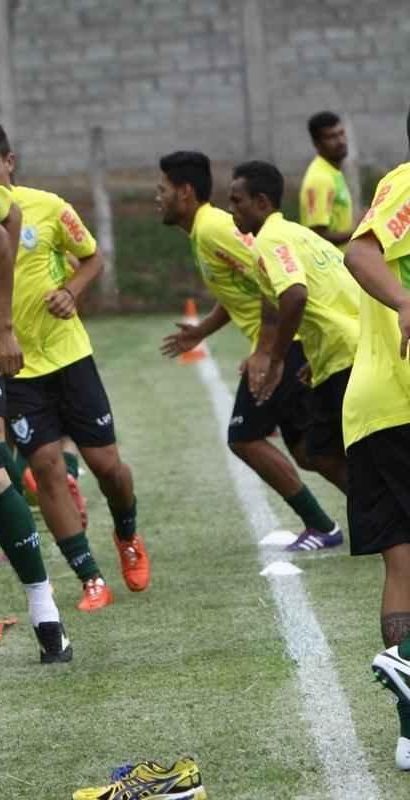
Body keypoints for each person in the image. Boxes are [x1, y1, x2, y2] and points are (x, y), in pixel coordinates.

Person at [0, 118, 147, 611]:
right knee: (44, 465)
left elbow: (92, 257)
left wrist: (71, 291)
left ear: (9, 163)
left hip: (68, 356)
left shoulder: (47, 207)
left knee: (108, 467)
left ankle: (127, 533)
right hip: (12, 367)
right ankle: (90, 577)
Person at [157, 151, 344, 551]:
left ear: (185, 192)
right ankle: (373, 514)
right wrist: (200, 331)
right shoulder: (205, 232)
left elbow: (274, 282)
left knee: (245, 437)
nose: (158, 198)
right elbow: (243, 288)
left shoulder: (214, 231)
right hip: (287, 344)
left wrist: (264, 351)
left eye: (162, 190)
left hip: (288, 345)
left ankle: (329, 524)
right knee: (309, 451)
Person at [341, 119, 410, 769]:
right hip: (402, 401)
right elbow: (358, 252)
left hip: (375, 408)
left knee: (402, 565)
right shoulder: (408, 186)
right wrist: (405, 300)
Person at [228, 161, 359, 491]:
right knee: (328, 450)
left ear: (261, 202)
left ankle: (388, 518)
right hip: (355, 348)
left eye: (236, 201)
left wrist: (276, 359)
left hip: (345, 354)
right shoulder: (299, 233)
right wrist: (316, 357)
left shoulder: (270, 240)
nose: (231, 211)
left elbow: (295, 295)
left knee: (326, 453)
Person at [299, 111, 355, 251]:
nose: (340, 141)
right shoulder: (320, 178)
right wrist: (358, 232)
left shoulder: (333, 171)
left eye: (341, 133)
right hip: (327, 267)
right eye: (331, 137)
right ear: (317, 143)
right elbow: (317, 235)